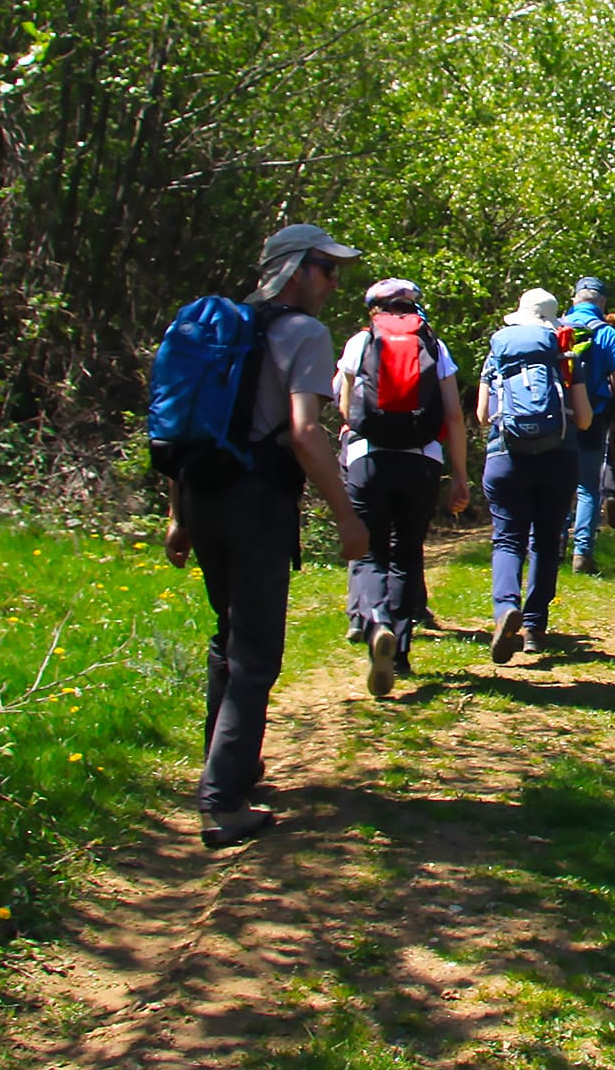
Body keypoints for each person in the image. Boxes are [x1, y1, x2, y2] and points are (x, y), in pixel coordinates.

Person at [165, 224, 371, 848]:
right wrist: (347, 516)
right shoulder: (303, 334)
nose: (336, 286)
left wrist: (177, 515)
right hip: (256, 503)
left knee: (229, 635)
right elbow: (305, 434)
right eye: (328, 271)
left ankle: (229, 765)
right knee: (257, 655)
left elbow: (187, 430)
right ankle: (223, 801)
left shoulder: (218, 328)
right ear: (297, 269)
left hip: (204, 496)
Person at [335, 278, 469, 698]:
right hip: (422, 460)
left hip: (368, 457)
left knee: (372, 549)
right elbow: (454, 415)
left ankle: (376, 622)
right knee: (407, 553)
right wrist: (460, 475)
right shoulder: (434, 345)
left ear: (373, 309)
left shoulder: (361, 342)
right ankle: (400, 650)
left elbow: (344, 406)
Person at [480, 287, 595, 662]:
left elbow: (483, 414)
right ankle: (533, 627)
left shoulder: (497, 353)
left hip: (505, 455)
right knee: (546, 542)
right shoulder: (564, 357)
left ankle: (504, 609)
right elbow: (584, 418)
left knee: (507, 539)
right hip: (557, 457)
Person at [560, 277, 615, 573]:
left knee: (559, 483)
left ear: (575, 298)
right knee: (587, 486)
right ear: (602, 304)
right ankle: (582, 553)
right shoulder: (606, 333)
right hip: (593, 416)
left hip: (558, 418)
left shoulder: (558, 327)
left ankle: (554, 544)